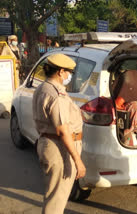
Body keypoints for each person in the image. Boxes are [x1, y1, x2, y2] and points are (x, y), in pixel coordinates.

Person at [33, 53, 86, 214]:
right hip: (60, 147)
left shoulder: (43, 87)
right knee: (56, 199)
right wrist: (78, 160)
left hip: (50, 143)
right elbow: (63, 131)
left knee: (54, 195)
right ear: (61, 72)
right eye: (69, 72)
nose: (69, 76)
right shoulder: (56, 94)